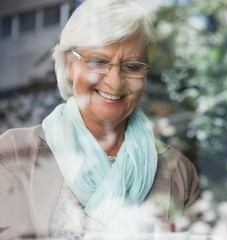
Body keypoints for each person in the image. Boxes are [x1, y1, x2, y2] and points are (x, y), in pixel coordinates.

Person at [0, 0, 200, 239]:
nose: (115, 81)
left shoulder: (178, 171)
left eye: (132, 66)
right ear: (69, 63)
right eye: (98, 61)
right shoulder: (15, 153)